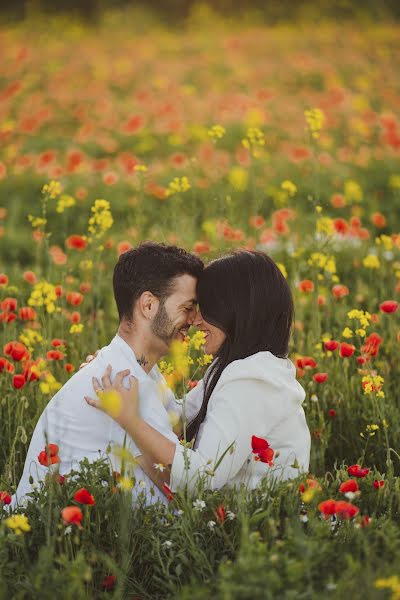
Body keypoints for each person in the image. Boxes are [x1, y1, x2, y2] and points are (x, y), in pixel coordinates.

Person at [85, 250, 311, 496]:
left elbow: (202, 477)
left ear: (238, 311)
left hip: (261, 529)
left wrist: (131, 421)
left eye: (208, 308)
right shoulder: (233, 367)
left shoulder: (252, 382)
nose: (195, 320)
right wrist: (123, 364)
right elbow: (177, 419)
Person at [12, 242, 203, 507]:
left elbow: (182, 423)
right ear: (148, 305)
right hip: (57, 534)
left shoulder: (132, 368)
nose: (195, 319)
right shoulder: (122, 380)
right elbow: (185, 485)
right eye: (187, 308)